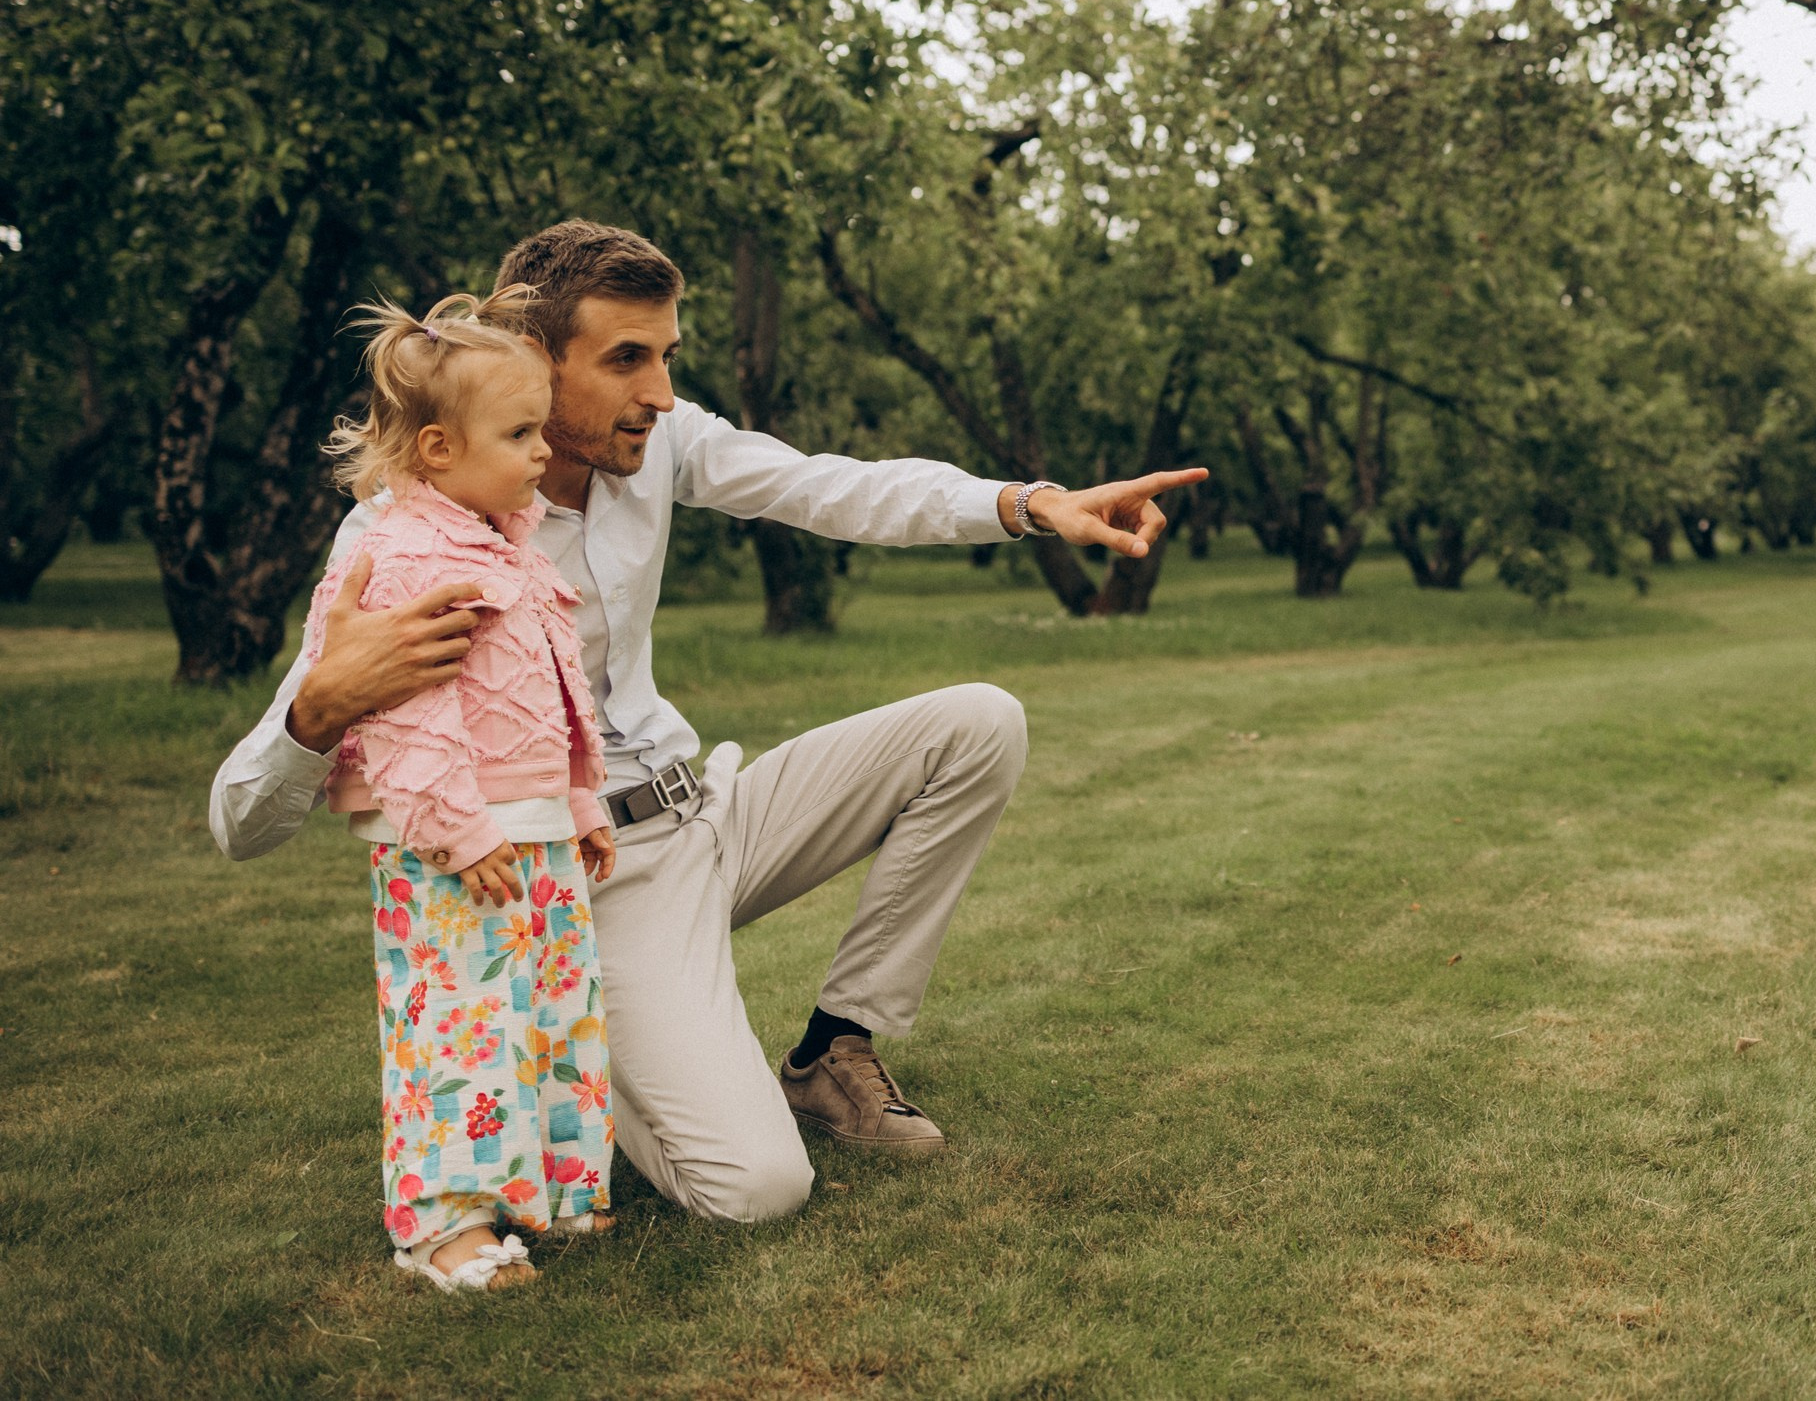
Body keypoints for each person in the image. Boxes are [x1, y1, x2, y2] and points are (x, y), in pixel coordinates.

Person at [212, 220, 1205, 1224]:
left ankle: (830, 1050)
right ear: (536, 364)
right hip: (585, 877)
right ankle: (584, 1047)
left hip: (710, 814)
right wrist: (320, 708)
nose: (660, 392)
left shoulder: (661, 441)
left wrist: (1032, 502)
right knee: (758, 1190)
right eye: (626, 359)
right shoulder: (404, 540)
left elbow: (837, 486)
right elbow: (239, 820)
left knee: (978, 723)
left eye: (667, 357)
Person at [306, 284, 619, 1293]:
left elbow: (554, 694)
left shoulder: (506, 545)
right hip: (453, 844)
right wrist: (456, 831)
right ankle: (444, 1225)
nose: (542, 450)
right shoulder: (402, 554)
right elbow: (405, 712)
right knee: (460, 1024)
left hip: (530, 833)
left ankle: (557, 1190)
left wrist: (579, 805)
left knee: (553, 1012)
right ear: (438, 448)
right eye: (521, 431)